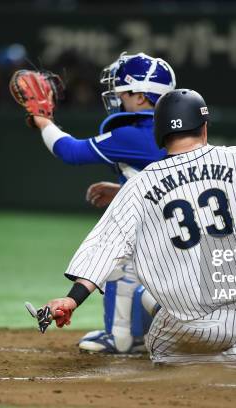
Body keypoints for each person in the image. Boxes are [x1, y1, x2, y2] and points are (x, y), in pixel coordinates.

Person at [36, 89, 236, 368]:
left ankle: (231, 359)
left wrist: (71, 300)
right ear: (203, 127)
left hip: (192, 326)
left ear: (159, 134)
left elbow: (105, 247)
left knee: (159, 348)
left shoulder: (139, 186)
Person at [30, 52, 175, 354]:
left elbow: (70, 151)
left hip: (169, 251)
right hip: (192, 238)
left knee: (118, 266)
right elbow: (160, 179)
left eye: (124, 92)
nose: (118, 97)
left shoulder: (135, 134)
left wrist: (44, 121)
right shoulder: (175, 131)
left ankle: (124, 338)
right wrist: (123, 187)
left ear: (141, 96)